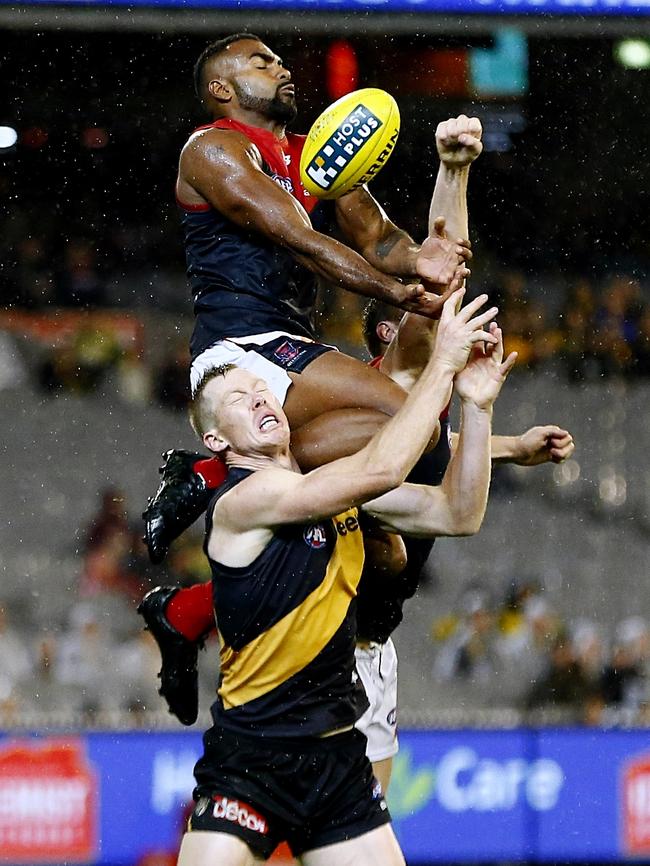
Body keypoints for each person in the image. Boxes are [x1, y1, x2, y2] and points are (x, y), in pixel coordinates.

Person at [176, 288, 514, 866]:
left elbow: (459, 514)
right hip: (253, 758)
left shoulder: (333, 491)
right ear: (216, 440)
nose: (260, 399)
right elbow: (381, 465)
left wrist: (476, 408)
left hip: (336, 757)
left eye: (263, 390)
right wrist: (442, 364)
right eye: (238, 398)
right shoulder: (244, 501)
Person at [144, 32, 479, 564]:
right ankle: (223, 477)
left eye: (280, 60)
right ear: (221, 87)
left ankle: (222, 479)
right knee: (416, 429)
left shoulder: (313, 155)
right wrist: (395, 290)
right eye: (261, 63)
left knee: (399, 484)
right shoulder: (212, 147)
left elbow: (380, 238)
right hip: (240, 345)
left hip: (292, 344)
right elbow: (299, 239)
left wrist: (421, 258)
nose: (281, 68)